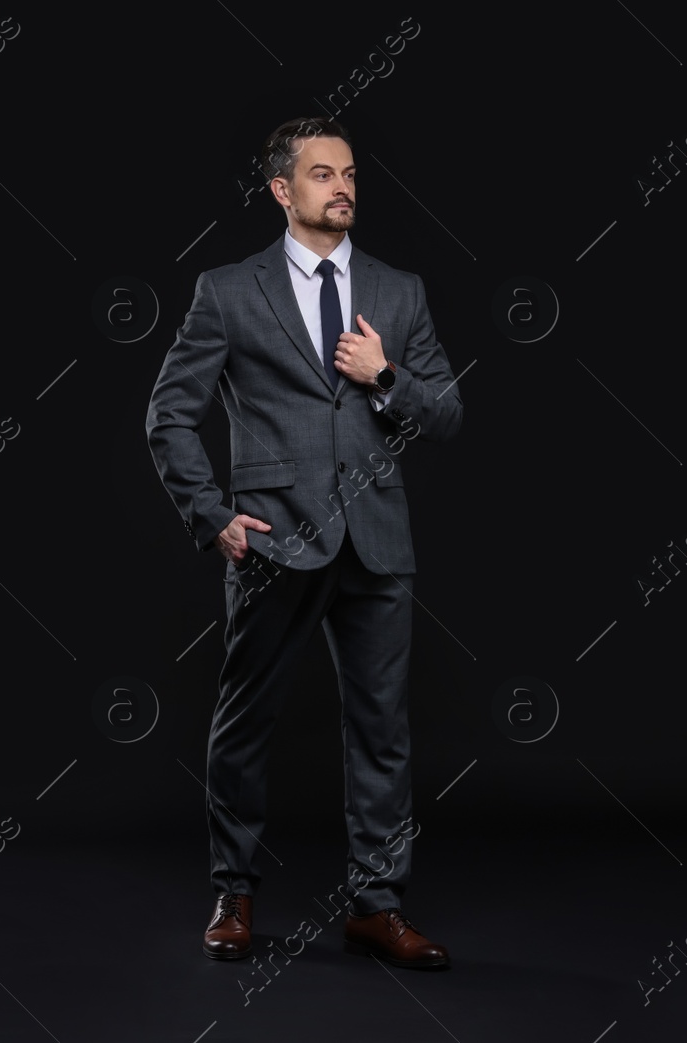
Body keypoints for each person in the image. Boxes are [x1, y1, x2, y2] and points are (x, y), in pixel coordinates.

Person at [145, 116, 462, 970]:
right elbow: (168, 413)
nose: (343, 187)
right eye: (322, 175)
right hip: (274, 540)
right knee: (244, 723)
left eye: (350, 173)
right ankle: (234, 894)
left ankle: (377, 906)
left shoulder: (400, 291)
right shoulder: (228, 289)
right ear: (283, 191)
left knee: (382, 732)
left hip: (378, 539)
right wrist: (212, 516)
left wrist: (385, 377)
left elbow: (448, 412)